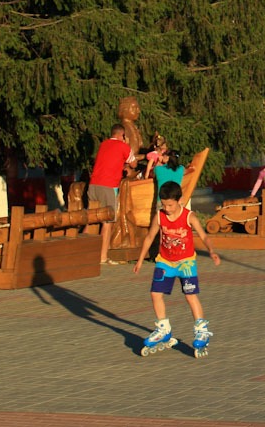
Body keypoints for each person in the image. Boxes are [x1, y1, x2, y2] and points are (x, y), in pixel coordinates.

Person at [133, 181, 221, 356]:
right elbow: (150, 237)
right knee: (155, 293)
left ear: (180, 201)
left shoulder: (189, 216)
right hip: (165, 261)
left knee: (190, 296)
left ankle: (202, 330)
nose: (167, 209)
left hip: (186, 263)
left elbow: (204, 236)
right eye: (164, 205)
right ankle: (163, 329)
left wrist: (211, 251)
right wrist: (140, 260)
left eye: (170, 205)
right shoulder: (159, 217)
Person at [88, 124, 136, 265]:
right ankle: (102, 257)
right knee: (107, 222)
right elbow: (133, 163)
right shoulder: (123, 146)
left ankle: (84, 253)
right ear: (122, 135)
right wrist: (128, 145)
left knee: (91, 219)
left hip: (93, 184)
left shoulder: (103, 144)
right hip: (108, 186)